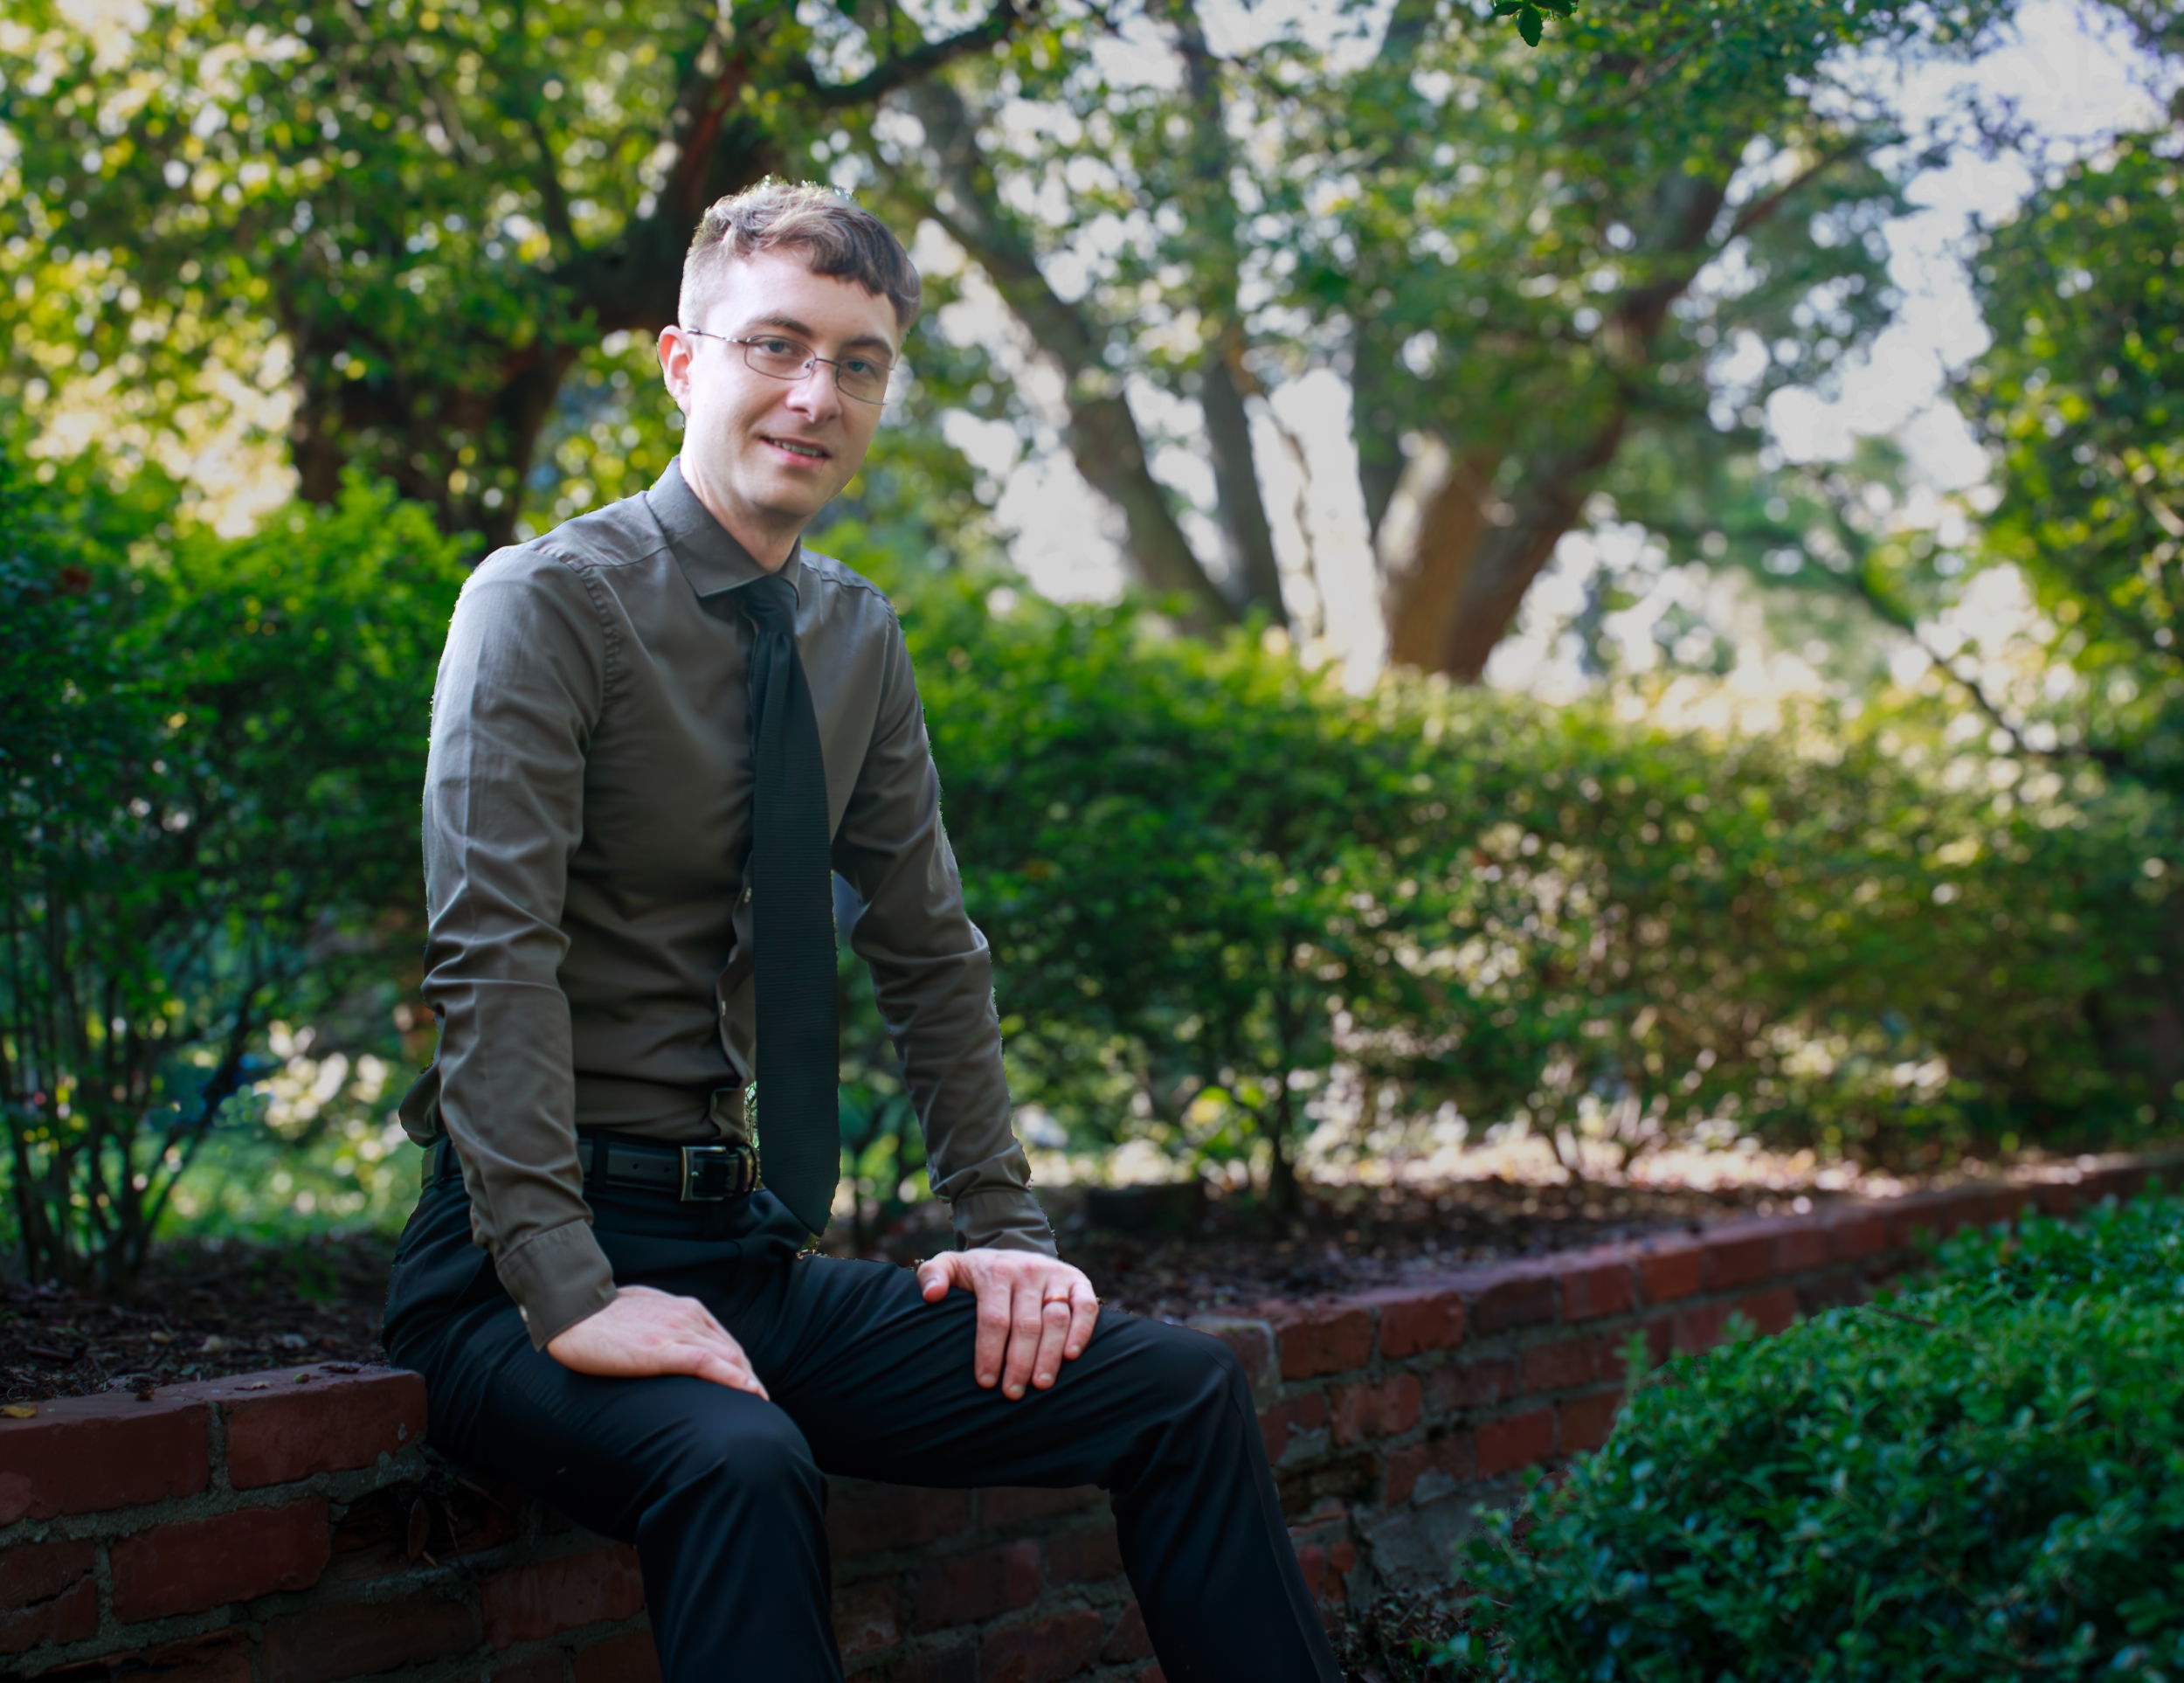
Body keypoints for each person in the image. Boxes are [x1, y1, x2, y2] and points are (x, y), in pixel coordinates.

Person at [384, 180, 1339, 1683]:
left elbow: (930, 951)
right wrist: (571, 1291)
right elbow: (489, 957)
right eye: (775, 346)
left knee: (1178, 1386)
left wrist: (1008, 1235)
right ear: (683, 362)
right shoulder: (545, 603)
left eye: (858, 360)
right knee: (742, 1460)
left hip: (741, 1251)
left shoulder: (853, 633)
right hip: (519, 1261)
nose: (815, 395)